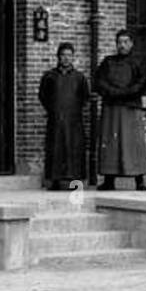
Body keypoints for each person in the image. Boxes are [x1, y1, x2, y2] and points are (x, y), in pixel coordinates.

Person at [94, 29, 146, 191]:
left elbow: (142, 83)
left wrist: (125, 93)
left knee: (134, 144)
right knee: (111, 143)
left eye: (126, 42)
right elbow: (99, 82)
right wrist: (113, 92)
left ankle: (139, 179)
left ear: (131, 44)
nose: (122, 45)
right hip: (111, 108)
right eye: (120, 42)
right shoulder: (107, 62)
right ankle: (109, 179)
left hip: (130, 108)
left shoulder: (139, 62)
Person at [39, 42, 89, 191]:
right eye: (63, 55)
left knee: (74, 149)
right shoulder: (49, 76)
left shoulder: (79, 77)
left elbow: (84, 97)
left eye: (69, 55)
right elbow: (43, 95)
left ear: (73, 57)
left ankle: (76, 181)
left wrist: (74, 109)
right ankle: (55, 181)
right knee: (55, 149)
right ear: (58, 57)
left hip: (74, 120)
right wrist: (53, 109)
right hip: (55, 118)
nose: (66, 58)